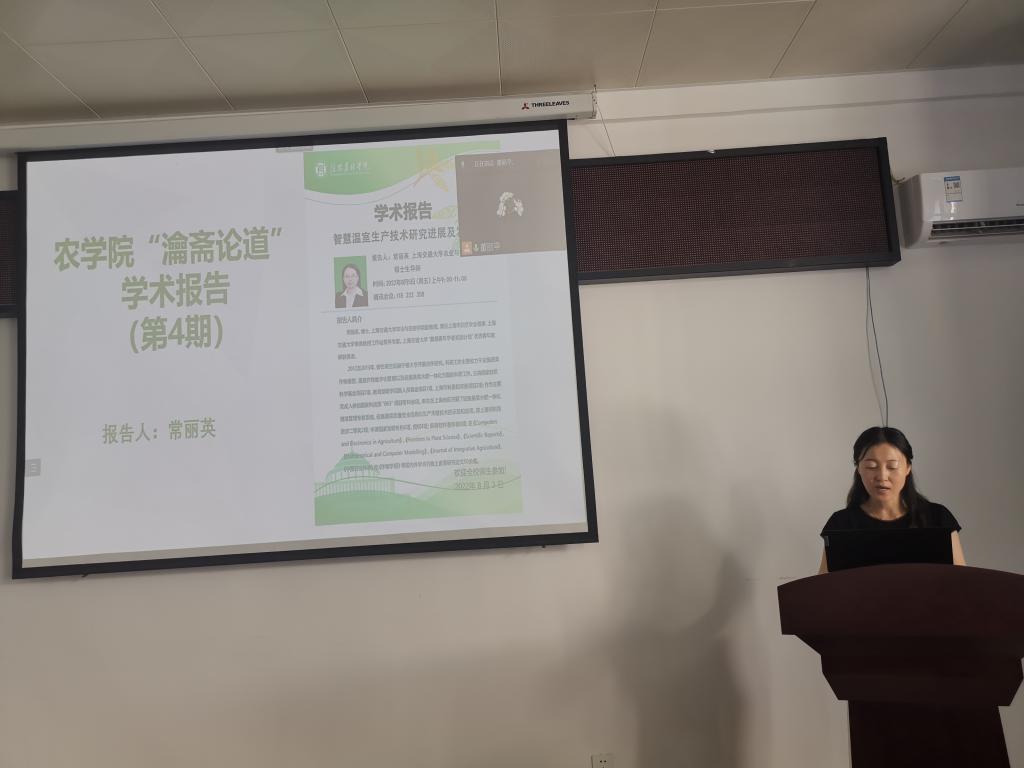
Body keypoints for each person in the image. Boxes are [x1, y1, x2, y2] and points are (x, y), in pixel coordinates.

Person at [818, 426, 966, 573]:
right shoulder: (841, 524)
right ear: (858, 468)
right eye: (871, 466)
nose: (882, 477)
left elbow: (962, 580)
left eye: (892, 466)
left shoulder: (938, 518)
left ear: (908, 468)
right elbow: (824, 584)